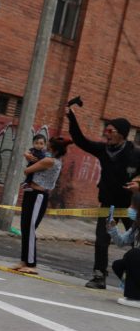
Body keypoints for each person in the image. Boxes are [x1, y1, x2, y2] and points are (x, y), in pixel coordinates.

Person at [66, 106, 140, 289]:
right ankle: (99, 277)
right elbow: (81, 141)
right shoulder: (103, 150)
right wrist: (72, 118)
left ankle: (136, 279)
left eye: (110, 131)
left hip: (132, 206)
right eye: (105, 130)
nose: (106, 134)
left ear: (121, 134)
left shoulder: (135, 153)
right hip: (108, 205)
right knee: (101, 240)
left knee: (136, 244)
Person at [11, 137, 72, 274]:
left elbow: (27, 171)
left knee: (30, 228)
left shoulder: (49, 161)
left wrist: (31, 159)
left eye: (48, 144)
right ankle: (24, 260)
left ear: (53, 148)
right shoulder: (48, 159)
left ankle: (31, 264)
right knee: (25, 228)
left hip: (38, 196)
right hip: (31, 193)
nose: (46, 147)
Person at [108, 192, 140, 307]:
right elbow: (121, 242)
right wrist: (113, 229)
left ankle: (135, 296)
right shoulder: (136, 225)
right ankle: (133, 293)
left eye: (133, 206)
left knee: (133, 254)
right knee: (118, 264)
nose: (130, 209)